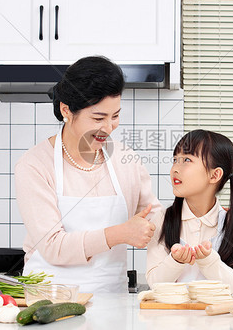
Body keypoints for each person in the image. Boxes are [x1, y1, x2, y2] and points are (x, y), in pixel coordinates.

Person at [15, 56, 160, 293]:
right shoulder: (34, 165)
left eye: (115, 116)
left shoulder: (125, 159)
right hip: (48, 301)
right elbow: (53, 246)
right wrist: (120, 233)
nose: (109, 127)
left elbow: (153, 216)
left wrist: (198, 215)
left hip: (113, 301)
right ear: (66, 110)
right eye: (98, 118)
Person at [145, 129, 233, 293]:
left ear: (214, 175)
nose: (175, 168)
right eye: (175, 160)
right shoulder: (162, 219)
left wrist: (208, 261)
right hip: (170, 318)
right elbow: (154, 282)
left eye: (186, 160)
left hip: (217, 317)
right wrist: (175, 261)